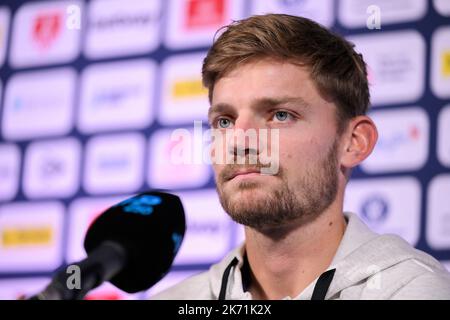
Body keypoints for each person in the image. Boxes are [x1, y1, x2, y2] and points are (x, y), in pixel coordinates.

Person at [152, 14, 450, 300]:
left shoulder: (414, 291)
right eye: (225, 121)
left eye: (280, 115)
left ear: (353, 142)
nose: (239, 141)